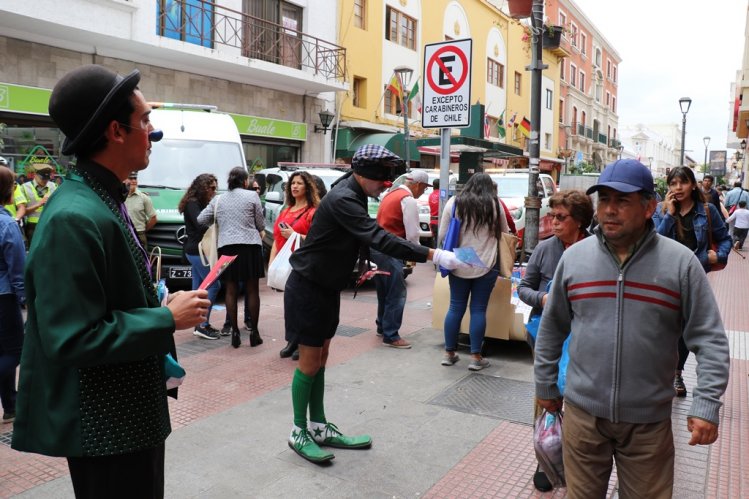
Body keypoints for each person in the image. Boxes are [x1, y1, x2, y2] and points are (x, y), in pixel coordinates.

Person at [11, 64, 210, 498]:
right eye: (144, 121)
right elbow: (71, 337)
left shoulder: (101, 198)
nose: (153, 132)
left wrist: (157, 301)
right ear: (116, 132)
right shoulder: (74, 217)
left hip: (126, 419)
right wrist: (163, 319)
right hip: (106, 429)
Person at [534, 159, 730, 498]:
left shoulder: (680, 263)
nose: (610, 210)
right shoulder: (575, 259)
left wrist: (706, 404)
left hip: (648, 424)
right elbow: (552, 328)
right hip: (583, 418)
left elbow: (709, 337)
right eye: (604, 200)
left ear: (649, 206)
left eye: (622, 201)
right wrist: (545, 385)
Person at [284, 144, 467, 464]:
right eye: (381, 179)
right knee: (310, 362)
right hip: (309, 287)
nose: (385, 185)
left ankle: (319, 426)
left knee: (322, 358)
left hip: (325, 286)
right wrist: (432, 254)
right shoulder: (344, 199)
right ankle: (299, 430)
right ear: (363, 175)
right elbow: (378, 237)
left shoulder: (350, 190)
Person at [518, 189, 593, 492]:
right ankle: (546, 458)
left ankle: (574, 459)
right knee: (546, 393)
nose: (553, 221)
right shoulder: (545, 248)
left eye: (560, 217)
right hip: (547, 334)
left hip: (584, 338)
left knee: (577, 398)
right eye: (552, 215)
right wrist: (544, 298)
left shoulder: (596, 249)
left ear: (579, 221)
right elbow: (523, 288)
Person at [652, 166, 731, 397]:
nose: (678, 188)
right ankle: (661, 370)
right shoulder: (661, 210)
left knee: (686, 329)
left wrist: (718, 255)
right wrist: (669, 213)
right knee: (663, 326)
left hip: (694, 277)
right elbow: (654, 241)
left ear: (693, 185)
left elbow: (724, 239)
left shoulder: (707, 210)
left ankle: (676, 372)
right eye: (673, 184)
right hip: (665, 277)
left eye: (683, 183)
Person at [438, 173, 509, 371]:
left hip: (459, 260)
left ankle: (449, 353)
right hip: (487, 263)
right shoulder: (495, 204)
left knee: (455, 307)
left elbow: (443, 234)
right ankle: (476, 357)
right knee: (478, 309)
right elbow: (504, 233)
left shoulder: (454, 202)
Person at [198, 166, 265, 349]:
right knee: (252, 290)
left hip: (227, 247)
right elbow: (260, 223)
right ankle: (254, 333)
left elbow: (201, 219)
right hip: (250, 246)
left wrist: (220, 221)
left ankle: (234, 332)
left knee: (230, 289)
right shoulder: (252, 196)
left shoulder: (218, 199)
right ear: (245, 182)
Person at [371, 169, 430, 349]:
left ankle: (382, 326)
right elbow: (412, 234)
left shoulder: (391, 194)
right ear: (418, 184)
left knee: (384, 290)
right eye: (424, 188)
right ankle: (391, 335)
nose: (423, 192)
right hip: (392, 250)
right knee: (397, 293)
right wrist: (415, 254)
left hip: (377, 248)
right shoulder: (408, 199)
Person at [270, 171, 320, 360]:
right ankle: (291, 340)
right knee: (290, 304)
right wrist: (272, 262)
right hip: (285, 263)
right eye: (292, 183)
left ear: (307, 187)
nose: (295, 186)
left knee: (303, 304)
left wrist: (294, 235)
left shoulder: (313, 212)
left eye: (299, 183)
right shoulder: (285, 210)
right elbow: (275, 239)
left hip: (303, 264)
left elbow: (317, 240)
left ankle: (302, 342)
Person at [179, 173, 222, 340]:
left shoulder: (196, 202)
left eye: (215, 188)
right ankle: (201, 325)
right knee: (214, 285)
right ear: (203, 187)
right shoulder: (193, 203)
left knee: (198, 289)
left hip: (196, 250)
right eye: (211, 188)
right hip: (197, 251)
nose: (214, 191)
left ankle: (198, 324)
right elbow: (200, 223)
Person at [0, 166, 25, 424]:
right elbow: (17, 268)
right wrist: (26, 297)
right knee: (16, 352)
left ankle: (11, 405)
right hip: (4, 298)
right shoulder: (7, 224)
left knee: (2, 351)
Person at [18, 164, 56, 246]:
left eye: (47, 178)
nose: (45, 181)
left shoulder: (53, 186)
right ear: (35, 175)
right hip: (32, 228)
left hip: (49, 225)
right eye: (42, 178)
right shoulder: (24, 187)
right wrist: (39, 204)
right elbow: (22, 212)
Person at [124, 170, 157, 248]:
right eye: (131, 178)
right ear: (125, 180)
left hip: (139, 235)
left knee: (141, 259)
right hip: (124, 234)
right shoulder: (119, 197)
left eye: (135, 178)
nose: (134, 181)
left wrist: (142, 231)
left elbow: (153, 218)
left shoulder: (144, 197)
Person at [429, 177, 440, 244]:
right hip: (440, 221)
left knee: (435, 241)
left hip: (432, 221)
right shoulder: (442, 195)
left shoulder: (430, 195)